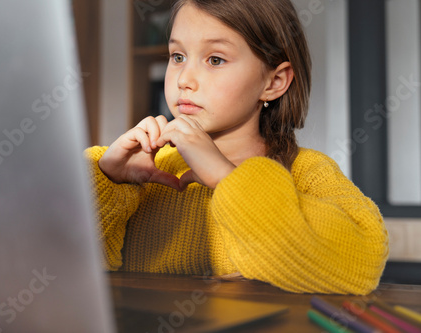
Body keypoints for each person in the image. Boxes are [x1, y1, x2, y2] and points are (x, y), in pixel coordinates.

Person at [85, 0, 389, 294]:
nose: (184, 79)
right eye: (177, 56)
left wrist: (227, 178)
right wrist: (107, 181)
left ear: (274, 82)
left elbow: (362, 264)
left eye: (215, 59)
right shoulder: (134, 169)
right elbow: (59, 273)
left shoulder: (307, 171)